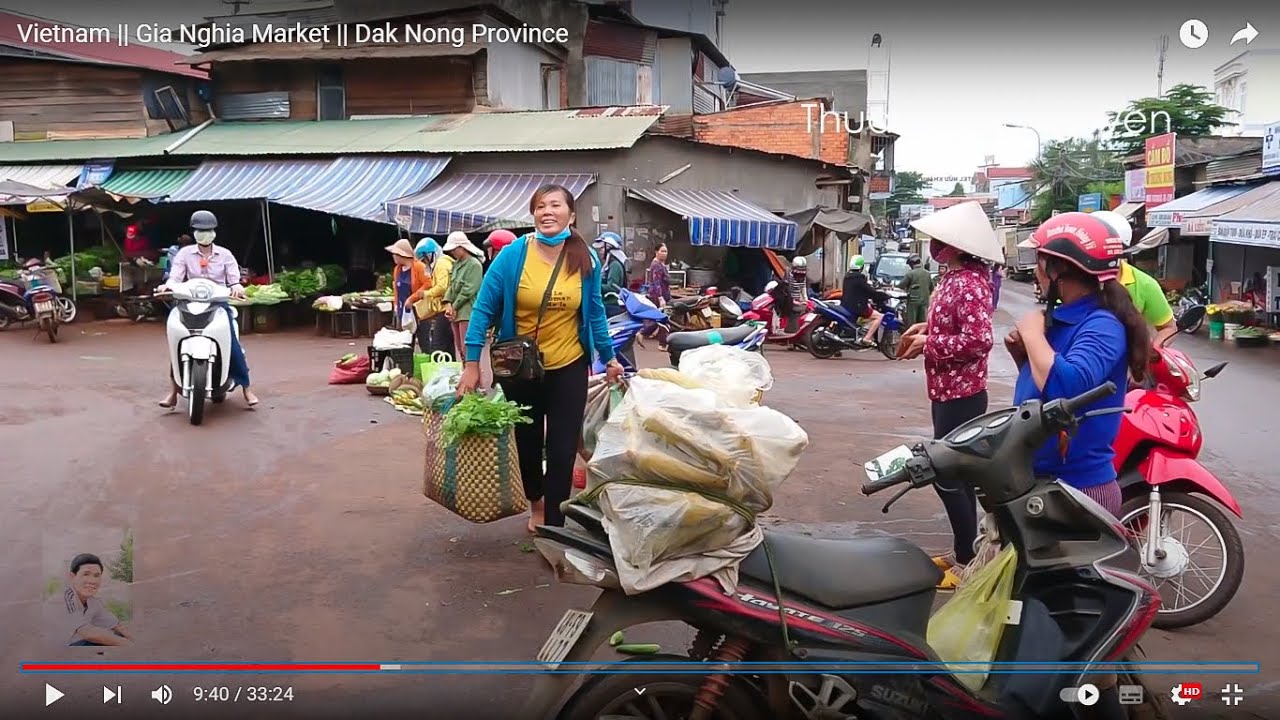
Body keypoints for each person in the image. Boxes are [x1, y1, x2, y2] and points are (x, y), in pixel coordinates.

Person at [457, 184, 624, 531]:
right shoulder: (513, 255)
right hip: (520, 369)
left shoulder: (585, 258)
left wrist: (609, 357)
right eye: (539, 207)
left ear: (571, 214)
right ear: (533, 215)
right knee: (528, 446)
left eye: (555, 205)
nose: (547, 212)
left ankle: (554, 526)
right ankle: (536, 501)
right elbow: (482, 310)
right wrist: (472, 364)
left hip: (569, 365)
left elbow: (594, 314)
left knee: (563, 450)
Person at [1007, 212, 1151, 517]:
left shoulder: (1102, 325)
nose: (1036, 271)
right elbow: (1043, 389)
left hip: (1076, 491)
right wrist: (1024, 354)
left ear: (1058, 268)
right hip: (1044, 482)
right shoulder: (1065, 320)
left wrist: (1032, 335)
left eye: (1041, 263)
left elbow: (1066, 390)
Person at [897, 201, 1001, 589]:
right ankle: (965, 550)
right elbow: (955, 323)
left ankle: (967, 561)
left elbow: (978, 340)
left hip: (963, 394)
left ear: (957, 245)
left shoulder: (972, 282)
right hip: (945, 391)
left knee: (948, 475)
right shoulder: (954, 277)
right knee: (953, 475)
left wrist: (929, 341)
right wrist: (929, 325)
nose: (933, 245)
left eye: (940, 240)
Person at [156, 210, 259, 409]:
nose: (205, 233)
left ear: (214, 232)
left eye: (209, 230)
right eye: (200, 230)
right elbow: (175, 276)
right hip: (188, 303)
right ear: (194, 232)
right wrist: (167, 286)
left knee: (232, 342)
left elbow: (234, 280)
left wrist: (237, 287)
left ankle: (246, 388)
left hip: (217, 304)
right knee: (177, 341)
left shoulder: (225, 254)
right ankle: (173, 392)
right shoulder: (184, 254)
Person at [1092, 210, 1176, 346]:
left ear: (1121, 248)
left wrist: (1152, 352)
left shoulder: (1145, 284)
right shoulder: (1069, 279)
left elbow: (1168, 327)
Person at [61, 553, 131, 646]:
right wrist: (129, 645)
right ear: (72, 577)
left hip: (80, 646)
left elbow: (117, 626)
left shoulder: (93, 602)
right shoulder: (66, 598)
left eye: (96, 575)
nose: (92, 581)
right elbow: (88, 633)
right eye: (86, 574)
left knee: (117, 636)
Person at [441, 233, 486, 362]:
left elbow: (469, 290)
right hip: (456, 312)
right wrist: (448, 303)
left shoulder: (474, 265)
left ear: (463, 247)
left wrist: (453, 307)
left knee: (469, 350)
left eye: (454, 249)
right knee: (460, 349)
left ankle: (476, 381)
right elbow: (452, 285)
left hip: (467, 311)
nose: (452, 252)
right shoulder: (457, 264)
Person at [385, 239, 431, 346]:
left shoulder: (419, 267)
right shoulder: (397, 269)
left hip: (420, 311)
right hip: (404, 311)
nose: (393, 256)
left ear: (401, 255)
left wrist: (412, 298)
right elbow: (396, 288)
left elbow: (428, 284)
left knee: (424, 341)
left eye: (395, 254)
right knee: (406, 342)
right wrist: (396, 305)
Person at [840, 255, 889, 347]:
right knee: (880, 317)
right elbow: (870, 291)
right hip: (857, 307)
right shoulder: (859, 279)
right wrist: (883, 295)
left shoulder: (847, 277)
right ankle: (867, 337)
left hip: (846, 305)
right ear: (862, 267)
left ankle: (863, 331)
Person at [420, 235, 456, 357]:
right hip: (448, 307)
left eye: (424, 260)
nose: (425, 263)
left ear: (430, 255)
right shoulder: (444, 262)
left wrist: (427, 294)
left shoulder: (441, 264)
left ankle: (436, 372)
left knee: (438, 344)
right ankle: (452, 371)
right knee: (448, 344)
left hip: (444, 308)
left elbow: (442, 286)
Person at [593, 232, 628, 317]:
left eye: (602, 248)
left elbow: (612, 287)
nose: (600, 251)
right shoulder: (609, 263)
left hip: (611, 304)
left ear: (608, 247)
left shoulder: (614, 265)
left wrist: (594, 285)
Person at [897, 253, 933, 326]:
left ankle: (911, 336)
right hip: (924, 301)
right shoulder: (927, 273)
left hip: (913, 301)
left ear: (911, 264)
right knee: (922, 321)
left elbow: (901, 286)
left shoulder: (910, 274)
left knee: (912, 322)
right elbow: (931, 287)